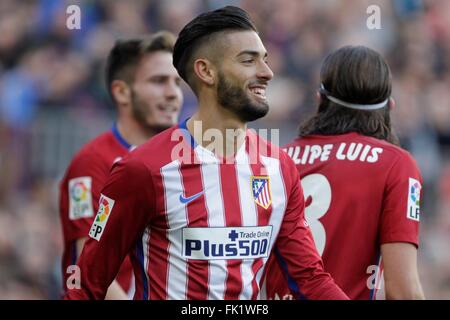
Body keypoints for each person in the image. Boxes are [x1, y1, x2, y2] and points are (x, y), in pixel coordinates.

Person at [64, 6, 347, 300]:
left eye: (265, 60)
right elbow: (86, 286)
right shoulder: (144, 169)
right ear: (206, 71)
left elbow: (310, 278)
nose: (267, 72)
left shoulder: (280, 168)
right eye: (249, 60)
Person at [264, 46, 425, 300]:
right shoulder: (396, 164)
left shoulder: (275, 160)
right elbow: (403, 291)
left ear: (319, 100)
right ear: (389, 107)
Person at [59, 31, 183, 299]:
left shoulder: (183, 160)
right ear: (122, 91)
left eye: (177, 82)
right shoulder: (91, 164)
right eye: (159, 81)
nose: (173, 93)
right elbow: (87, 267)